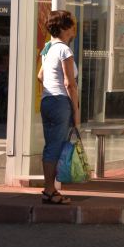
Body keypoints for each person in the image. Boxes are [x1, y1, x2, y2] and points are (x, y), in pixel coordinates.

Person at [37, 10, 80, 204]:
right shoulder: (64, 50)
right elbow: (70, 83)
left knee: (50, 145)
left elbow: (40, 76)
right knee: (56, 145)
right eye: (71, 24)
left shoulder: (48, 48)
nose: (74, 27)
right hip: (61, 101)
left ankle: (49, 188)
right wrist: (76, 110)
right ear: (64, 27)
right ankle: (49, 189)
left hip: (47, 100)